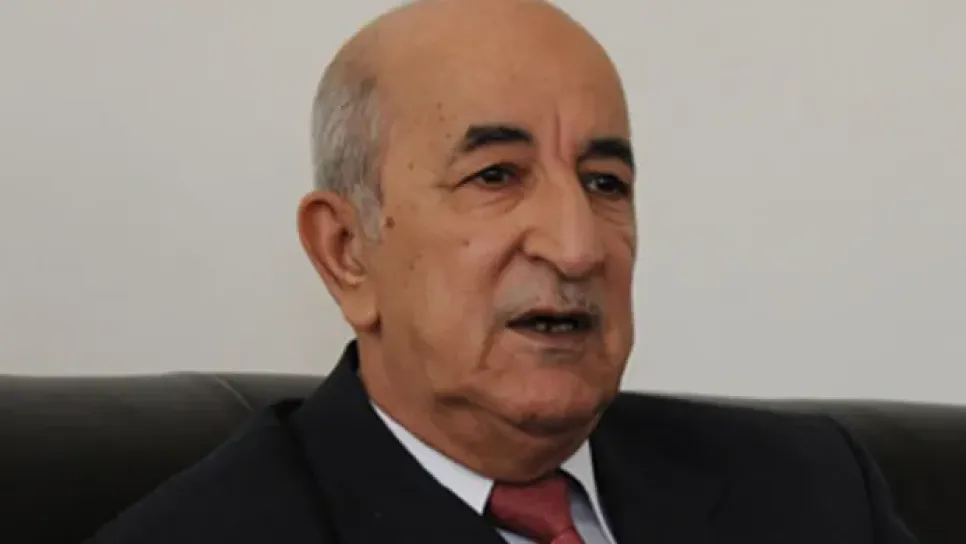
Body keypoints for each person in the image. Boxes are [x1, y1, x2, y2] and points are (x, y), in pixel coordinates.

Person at [86, 0, 918, 542]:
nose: (577, 246)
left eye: (605, 183)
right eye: (495, 176)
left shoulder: (814, 493)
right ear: (346, 252)